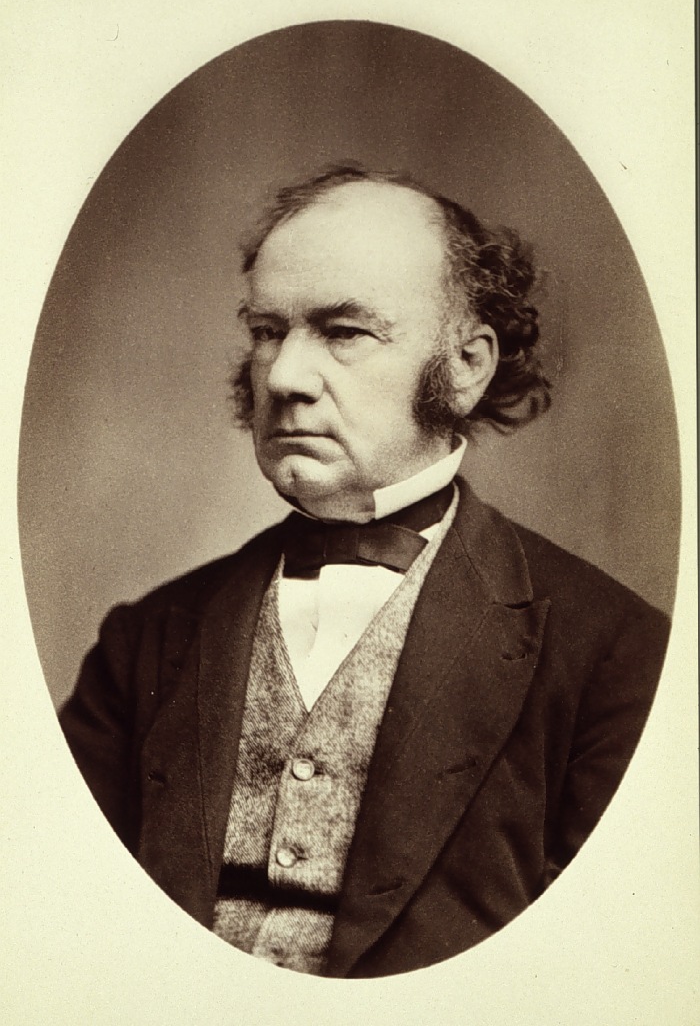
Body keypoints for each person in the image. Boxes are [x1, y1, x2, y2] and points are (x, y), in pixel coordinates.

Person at [60, 165, 669, 978]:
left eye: (344, 332)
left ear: (467, 365)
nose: (283, 377)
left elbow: (605, 971)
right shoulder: (145, 640)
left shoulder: (621, 658)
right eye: (267, 331)